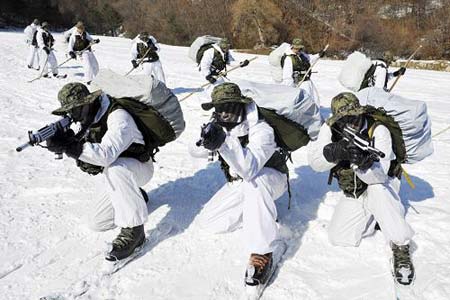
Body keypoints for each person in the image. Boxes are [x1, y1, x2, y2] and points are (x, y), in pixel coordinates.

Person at [307, 92, 415, 285]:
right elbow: (315, 163)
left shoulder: (378, 130)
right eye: (345, 119)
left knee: (377, 191)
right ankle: (377, 215)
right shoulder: (330, 128)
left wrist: (364, 163)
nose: (352, 122)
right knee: (339, 236)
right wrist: (335, 153)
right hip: (355, 189)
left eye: (355, 116)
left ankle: (400, 244)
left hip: (383, 183)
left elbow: (380, 174)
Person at [193, 82, 288, 287]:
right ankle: (261, 213)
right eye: (219, 108)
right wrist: (207, 140)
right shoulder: (218, 125)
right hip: (240, 184)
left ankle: (264, 249)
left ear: (240, 105)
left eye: (228, 107)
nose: (224, 113)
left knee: (256, 182)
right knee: (211, 223)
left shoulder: (261, 129)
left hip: (271, 180)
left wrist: (224, 143)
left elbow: (250, 169)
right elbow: (195, 152)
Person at [46, 82, 153, 261]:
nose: (73, 115)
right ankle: (135, 196)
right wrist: (70, 143)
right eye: (69, 111)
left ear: (89, 102)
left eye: (76, 109)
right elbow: (92, 164)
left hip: (139, 168)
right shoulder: (89, 119)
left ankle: (135, 232)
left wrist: (71, 146)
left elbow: (106, 156)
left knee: (115, 168)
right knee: (97, 222)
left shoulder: (119, 117)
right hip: (121, 174)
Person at [281, 38, 324, 105]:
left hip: (307, 81)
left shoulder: (302, 55)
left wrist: (318, 55)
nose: (297, 50)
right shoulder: (289, 58)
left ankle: (315, 114)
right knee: (305, 101)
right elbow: (287, 76)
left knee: (315, 98)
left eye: (299, 48)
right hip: (299, 83)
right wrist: (290, 89)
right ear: (292, 46)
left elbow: (310, 58)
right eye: (296, 48)